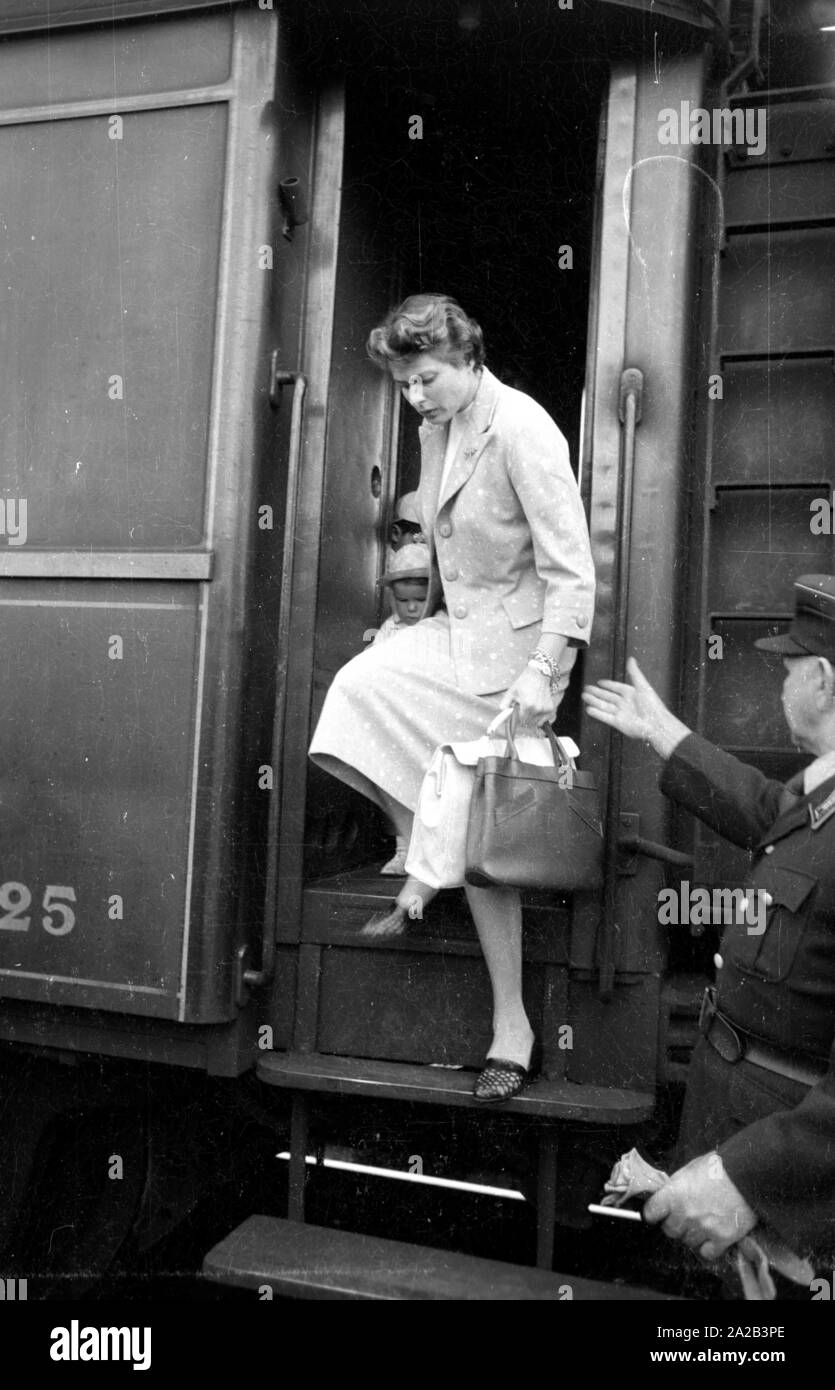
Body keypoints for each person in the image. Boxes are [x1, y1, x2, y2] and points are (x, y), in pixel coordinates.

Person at [309, 292, 595, 1101]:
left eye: (427, 379)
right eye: (404, 385)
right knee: (358, 689)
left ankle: (512, 1022)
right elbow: (442, 557)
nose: (415, 398)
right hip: (459, 633)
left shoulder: (525, 427)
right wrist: (409, 631)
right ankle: (421, 849)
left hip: (519, 652)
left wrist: (545, 673)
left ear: (469, 360)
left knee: (480, 832)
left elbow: (571, 573)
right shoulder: (439, 427)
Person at [582, 574, 835, 1274]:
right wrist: (663, 732)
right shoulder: (820, 801)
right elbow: (769, 815)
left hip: (780, 1176)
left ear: (819, 678)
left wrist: (750, 1176)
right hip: (741, 1126)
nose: (778, 684)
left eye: (786, 669)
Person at [368, 543, 432, 875]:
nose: (411, 608)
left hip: (428, 720)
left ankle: (428, 856)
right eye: (403, 601)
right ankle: (403, 849)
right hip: (397, 718)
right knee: (396, 785)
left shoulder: (439, 630)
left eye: (419, 602)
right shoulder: (387, 631)